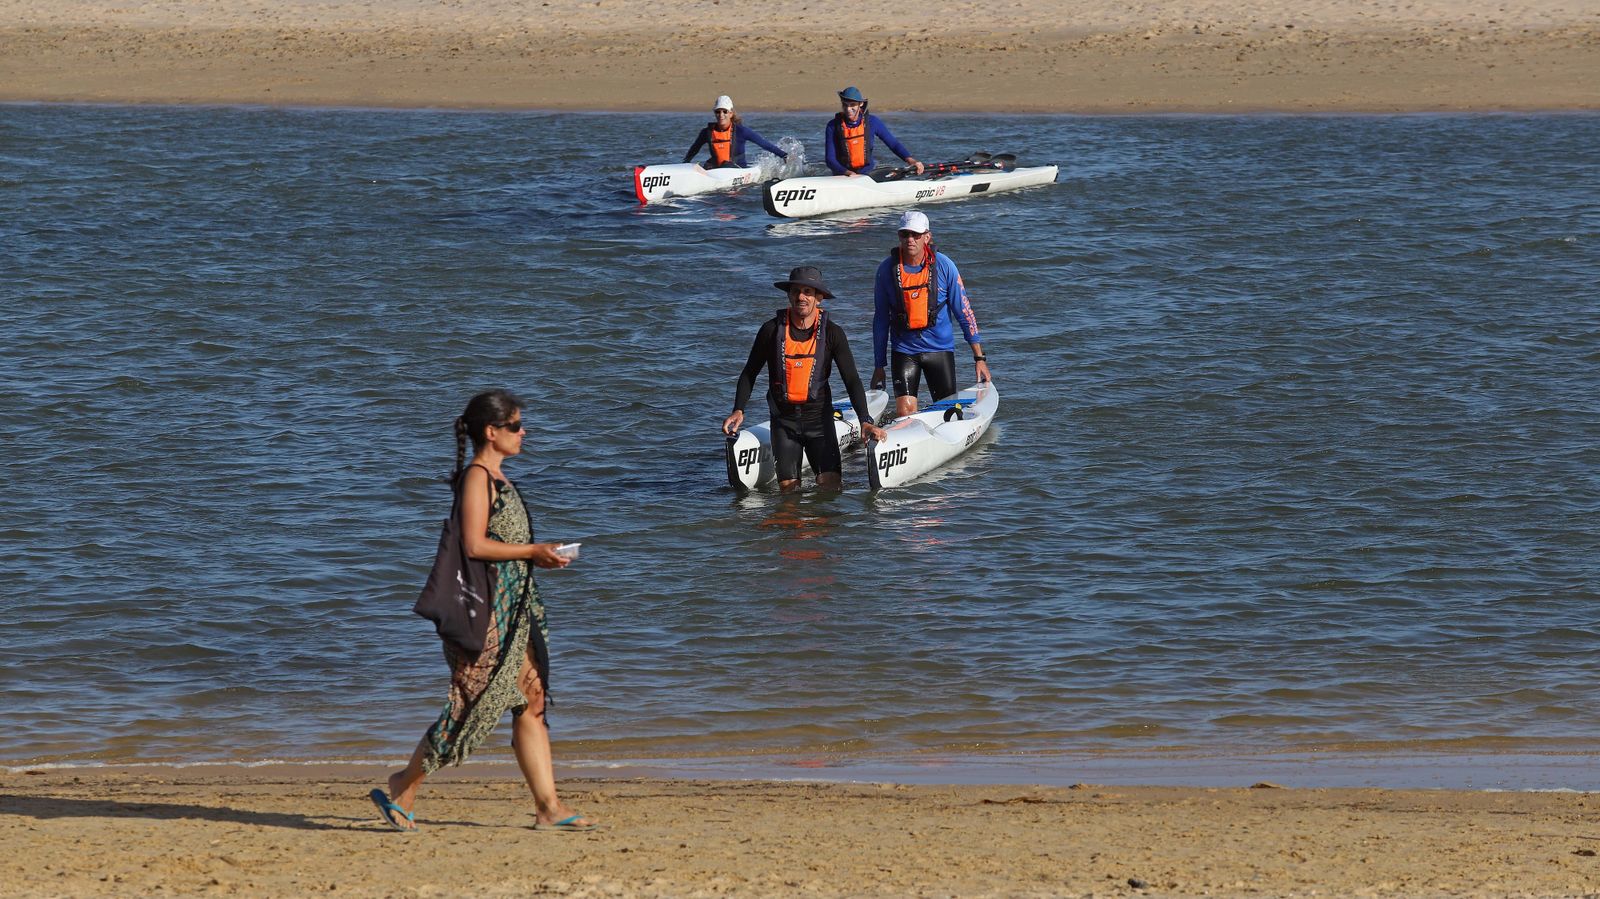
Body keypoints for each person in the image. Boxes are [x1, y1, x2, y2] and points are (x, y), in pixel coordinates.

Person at [369, 389, 597, 833]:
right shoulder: (478, 477)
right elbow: (474, 545)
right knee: (470, 708)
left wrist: (539, 557)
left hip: (516, 610)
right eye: (515, 426)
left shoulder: (500, 478)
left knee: (531, 702)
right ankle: (402, 786)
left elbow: (499, 547)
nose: (523, 432)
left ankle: (548, 807)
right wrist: (533, 550)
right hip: (488, 614)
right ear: (492, 433)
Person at [723, 265, 888, 490]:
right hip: (784, 423)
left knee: (830, 489)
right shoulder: (770, 331)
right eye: (796, 291)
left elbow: (851, 379)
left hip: (819, 422)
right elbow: (750, 372)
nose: (801, 297)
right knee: (789, 496)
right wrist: (738, 409)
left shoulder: (833, 333)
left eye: (808, 292)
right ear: (789, 296)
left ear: (819, 298)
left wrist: (865, 421)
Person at [871, 211, 991, 418]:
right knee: (905, 412)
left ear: (927, 237)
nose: (910, 239)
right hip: (904, 351)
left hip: (940, 350)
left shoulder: (945, 266)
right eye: (905, 234)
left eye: (916, 235)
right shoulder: (886, 270)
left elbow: (964, 312)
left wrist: (979, 358)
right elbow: (881, 320)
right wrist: (879, 365)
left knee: (947, 413)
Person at [823, 86, 923, 178]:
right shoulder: (833, 126)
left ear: (860, 104)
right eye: (845, 105)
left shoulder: (872, 122)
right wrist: (848, 173)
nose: (848, 109)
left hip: (867, 175)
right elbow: (830, 159)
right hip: (843, 176)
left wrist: (911, 160)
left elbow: (893, 144)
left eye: (852, 105)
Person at [683, 95, 788, 169]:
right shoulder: (707, 132)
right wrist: (685, 162)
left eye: (725, 111)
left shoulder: (742, 131)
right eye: (718, 112)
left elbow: (764, 144)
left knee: (725, 166)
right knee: (704, 166)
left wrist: (783, 155)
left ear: (731, 114)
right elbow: (694, 148)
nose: (721, 115)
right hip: (717, 170)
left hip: (738, 170)